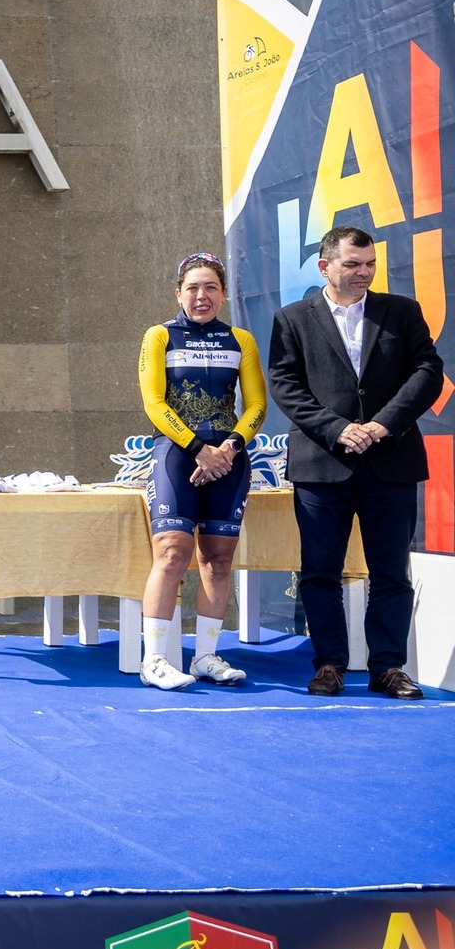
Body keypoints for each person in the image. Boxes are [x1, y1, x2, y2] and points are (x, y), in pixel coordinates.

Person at [268, 225, 446, 698]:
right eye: (352, 264)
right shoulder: (292, 319)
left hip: (391, 461)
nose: (363, 273)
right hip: (322, 464)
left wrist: (382, 425)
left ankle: (388, 667)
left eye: (369, 265)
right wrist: (336, 428)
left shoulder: (402, 312)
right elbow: (285, 385)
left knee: (391, 572)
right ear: (325, 266)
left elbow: (428, 372)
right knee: (319, 572)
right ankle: (329, 664)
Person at [135, 252, 268, 690]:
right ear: (178, 293)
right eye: (192, 287)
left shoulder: (241, 340)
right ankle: (154, 660)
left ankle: (205, 656)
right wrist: (199, 448)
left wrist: (228, 448)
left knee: (218, 559)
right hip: (177, 454)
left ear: (224, 294)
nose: (201, 295)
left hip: (228, 458)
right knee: (172, 553)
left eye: (211, 287)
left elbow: (256, 406)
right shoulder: (159, 336)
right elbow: (154, 404)